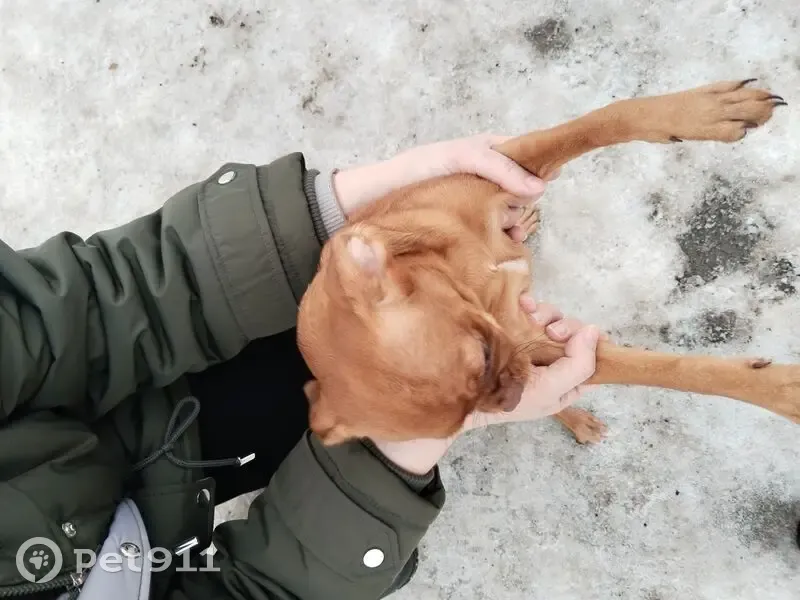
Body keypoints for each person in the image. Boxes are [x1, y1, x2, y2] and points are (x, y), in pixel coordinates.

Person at [0, 134, 600, 600]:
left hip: (131, 418)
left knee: (329, 331)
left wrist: (324, 212)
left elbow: (83, 306)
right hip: (156, 519)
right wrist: (406, 448)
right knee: (376, 465)